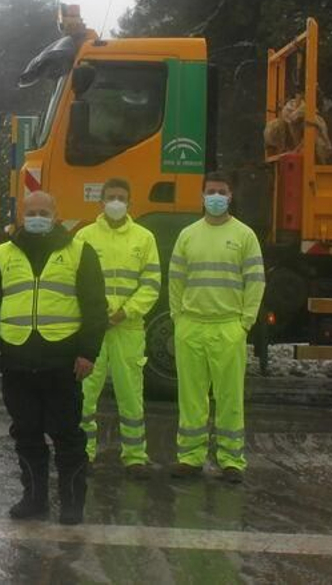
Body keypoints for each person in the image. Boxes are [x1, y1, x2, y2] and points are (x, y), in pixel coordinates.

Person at [0, 190, 107, 525]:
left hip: (62, 362)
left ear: (56, 214)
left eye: (43, 212)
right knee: (26, 434)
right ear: (21, 215)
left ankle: (73, 503)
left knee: (67, 435)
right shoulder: (2, 254)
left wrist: (88, 352)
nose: (37, 217)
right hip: (18, 361)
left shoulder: (80, 252)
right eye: (30, 212)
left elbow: (94, 307)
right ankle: (34, 498)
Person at [169, 171, 266, 483]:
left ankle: (231, 460)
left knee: (230, 397)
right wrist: (178, 318)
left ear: (230, 196)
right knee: (191, 397)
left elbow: (255, 282)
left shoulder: (245, 236)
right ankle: (190, 458)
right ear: (202, 195)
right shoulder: (187, 235)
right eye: (210, 191)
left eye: (221, 191)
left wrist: (245, 323)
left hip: (228, 327)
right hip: (191, 326)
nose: (215, 197)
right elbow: (175, 281)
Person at [74, 178, 160, 477]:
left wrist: (126, 312)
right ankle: (82, 454)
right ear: (101, 201)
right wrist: (96, 315)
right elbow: (76, 282)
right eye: (110, 196)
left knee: (131, 395)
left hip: (128, 328)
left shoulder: (144, 238)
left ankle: (135, 457)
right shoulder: (84, 236)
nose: (115, 202)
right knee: (85, 394)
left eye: (121, 197)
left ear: (130, 202)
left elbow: (151, 284)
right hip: (93, 330)